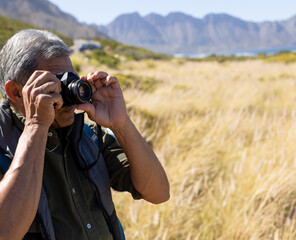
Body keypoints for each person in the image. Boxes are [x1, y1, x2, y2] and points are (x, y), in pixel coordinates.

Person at [0, 29, 170, 240]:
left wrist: (121, 123)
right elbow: (5, 231)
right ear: (16, 92)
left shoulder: (88, 135)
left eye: (68, 79)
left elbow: (159, 193)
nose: (66, 94)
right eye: (52, 84)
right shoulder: (3, 144)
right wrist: (36, 125)